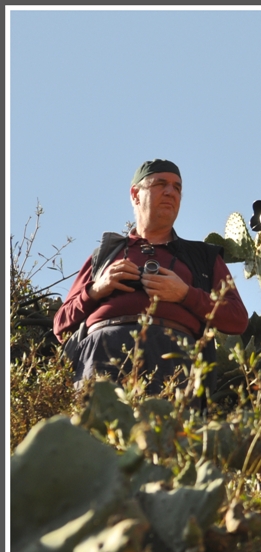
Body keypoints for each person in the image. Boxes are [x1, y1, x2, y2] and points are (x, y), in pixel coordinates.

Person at [53, 159, 249, 396]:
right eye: (160, 184)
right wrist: (97, 289)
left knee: (165, 434)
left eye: (177, 187)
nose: (171, 192)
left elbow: (237, 320)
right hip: (99, 358)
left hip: (174, 361)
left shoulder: (202, 256)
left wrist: (185, 294)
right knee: (97, 432)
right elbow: (60, 325)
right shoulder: (105, 255)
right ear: (135, 194)